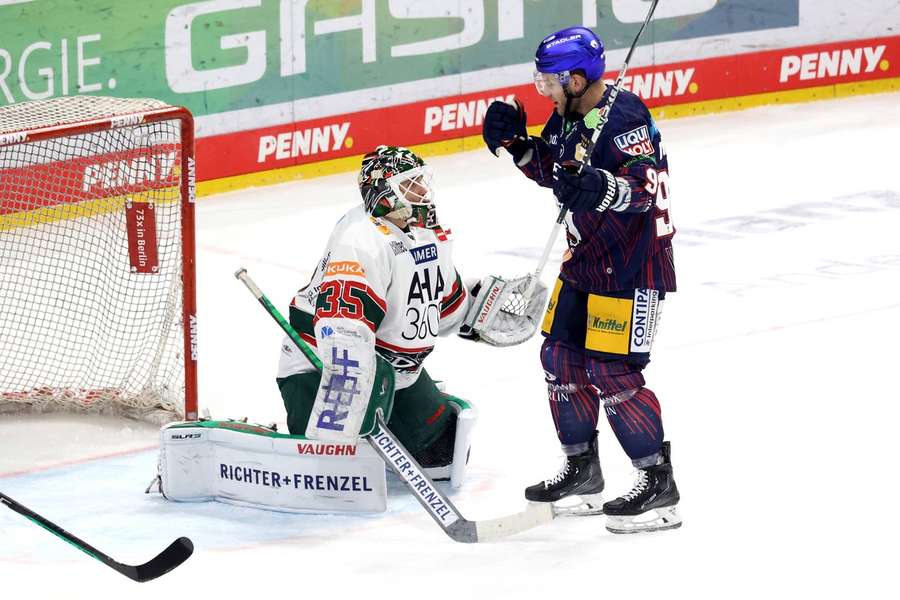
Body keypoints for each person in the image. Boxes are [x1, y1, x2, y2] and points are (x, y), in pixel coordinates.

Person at [482, 26, 681, 533]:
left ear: (576, 78)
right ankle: (583, 472)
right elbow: (555, 172)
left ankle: (658, 485)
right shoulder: (569, 115)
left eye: (549, 81)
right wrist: (517, 145)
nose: (542, 90)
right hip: (587, 260)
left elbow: (641, 191)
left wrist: (600, 185)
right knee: (559, 359)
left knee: (612, 373)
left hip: (633, 266)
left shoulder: (625, 118)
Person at [275, 145, 473, 476]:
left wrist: (481, 312)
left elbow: (447, 307)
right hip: (324, 370)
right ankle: (331, 439)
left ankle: (383, 427)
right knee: (335, 471)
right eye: (411, 185)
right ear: (383, 193)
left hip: (392, 374)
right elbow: (342, 331)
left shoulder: (427, 232)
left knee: (442, 452)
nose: (424, 191)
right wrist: (352, 388)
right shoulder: (360, 240)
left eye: (422, 181)